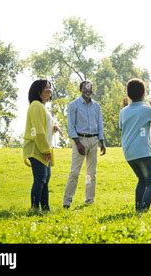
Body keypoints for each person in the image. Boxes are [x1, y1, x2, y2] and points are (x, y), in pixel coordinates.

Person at [119, 79, 151, 213]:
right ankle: (142, 210)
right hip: (142, 152)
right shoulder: (147, 110)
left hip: (128, 153)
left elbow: (122, 127)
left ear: (128, 94)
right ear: (143, 93)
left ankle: (138, 208)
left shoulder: (123, 111)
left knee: (142, 180)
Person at [63, 80, 106, 208]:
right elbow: (71, 125)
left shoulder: (96, 106)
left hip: (93, 141)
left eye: (90, 88)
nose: (88, 90)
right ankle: (67, 201)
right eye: (85, 88)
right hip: (80, 140)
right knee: (74, 172)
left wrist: (102, 142)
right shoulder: (73, 105)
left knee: (90, 173)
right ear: (80, 89)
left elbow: (100, 125)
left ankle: (89, 200)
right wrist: (77, 143)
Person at [23, 80, 62, 212]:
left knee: (45, 179)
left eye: (50, 87)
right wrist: (45, 149)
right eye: (46, 87)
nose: (49, 90)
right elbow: (38, 130)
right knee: (40, 179)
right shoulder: (35, 105)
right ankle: (34, 208)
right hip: (37, 149)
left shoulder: (43, 107)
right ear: (38, 90)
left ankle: (45, 208)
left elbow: (45, 125)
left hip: (44, 149)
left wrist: (54, 126)